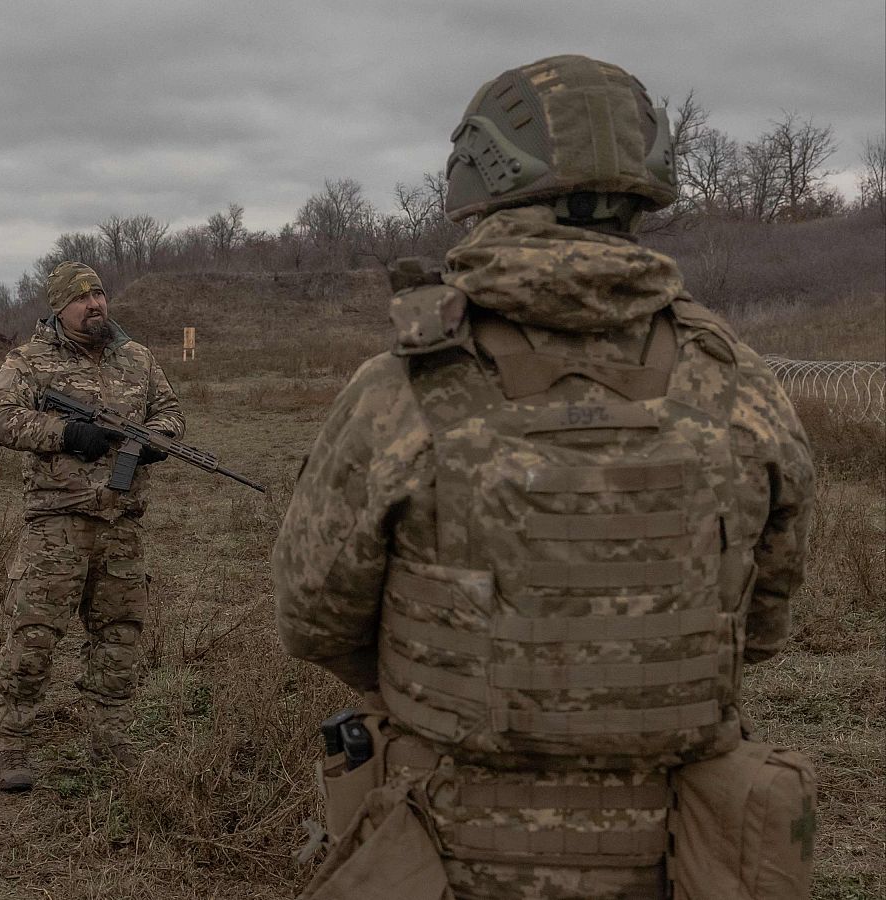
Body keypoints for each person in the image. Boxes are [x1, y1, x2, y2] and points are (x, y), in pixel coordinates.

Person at [272, 56, 816, 899]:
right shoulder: (740, 383)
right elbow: (765, 620)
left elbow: (313, 618)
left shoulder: (401, 389)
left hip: (448, 847)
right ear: (644, 189)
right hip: (678, 855)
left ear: (477, 185)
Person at [0, 261, 184, 791]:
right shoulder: (29, 361)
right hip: (57, 524)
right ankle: (12, 746)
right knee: (34, 637)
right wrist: (65, 433)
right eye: (81, 298)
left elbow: (170, 413)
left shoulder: (138, 358)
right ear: (58, 307)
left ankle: (109, 742)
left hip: (121, 524)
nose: (95, 305)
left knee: (119, 639)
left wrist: (150, 442)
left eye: (99, 295)